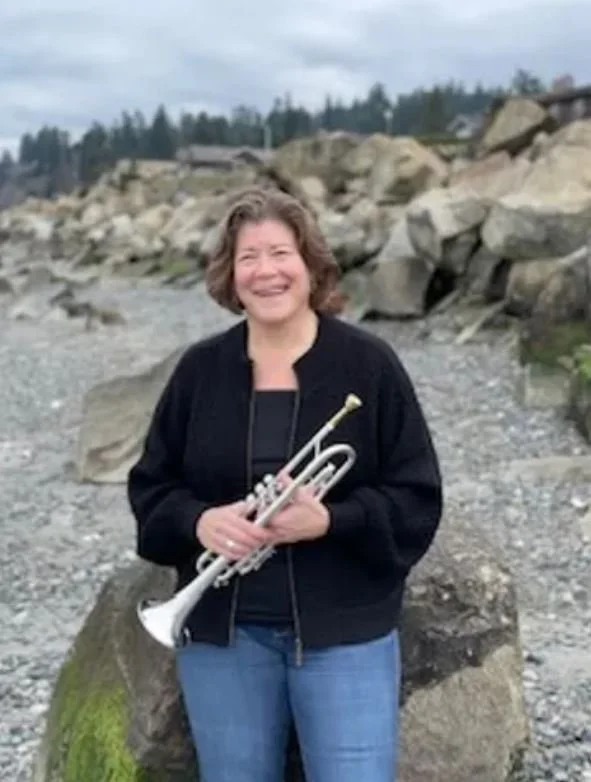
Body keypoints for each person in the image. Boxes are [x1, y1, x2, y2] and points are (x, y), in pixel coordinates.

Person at [127, 186, 443, 782]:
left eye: (280, 254)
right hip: (224, 636)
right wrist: (198, 521)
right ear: (229, 274)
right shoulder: (200, 371)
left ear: (311, 265)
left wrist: (332, 520)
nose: (265, 272)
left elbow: (418, 497)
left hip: (346, 636)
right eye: (248, 258)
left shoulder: (368, 366)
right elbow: (151, 489)